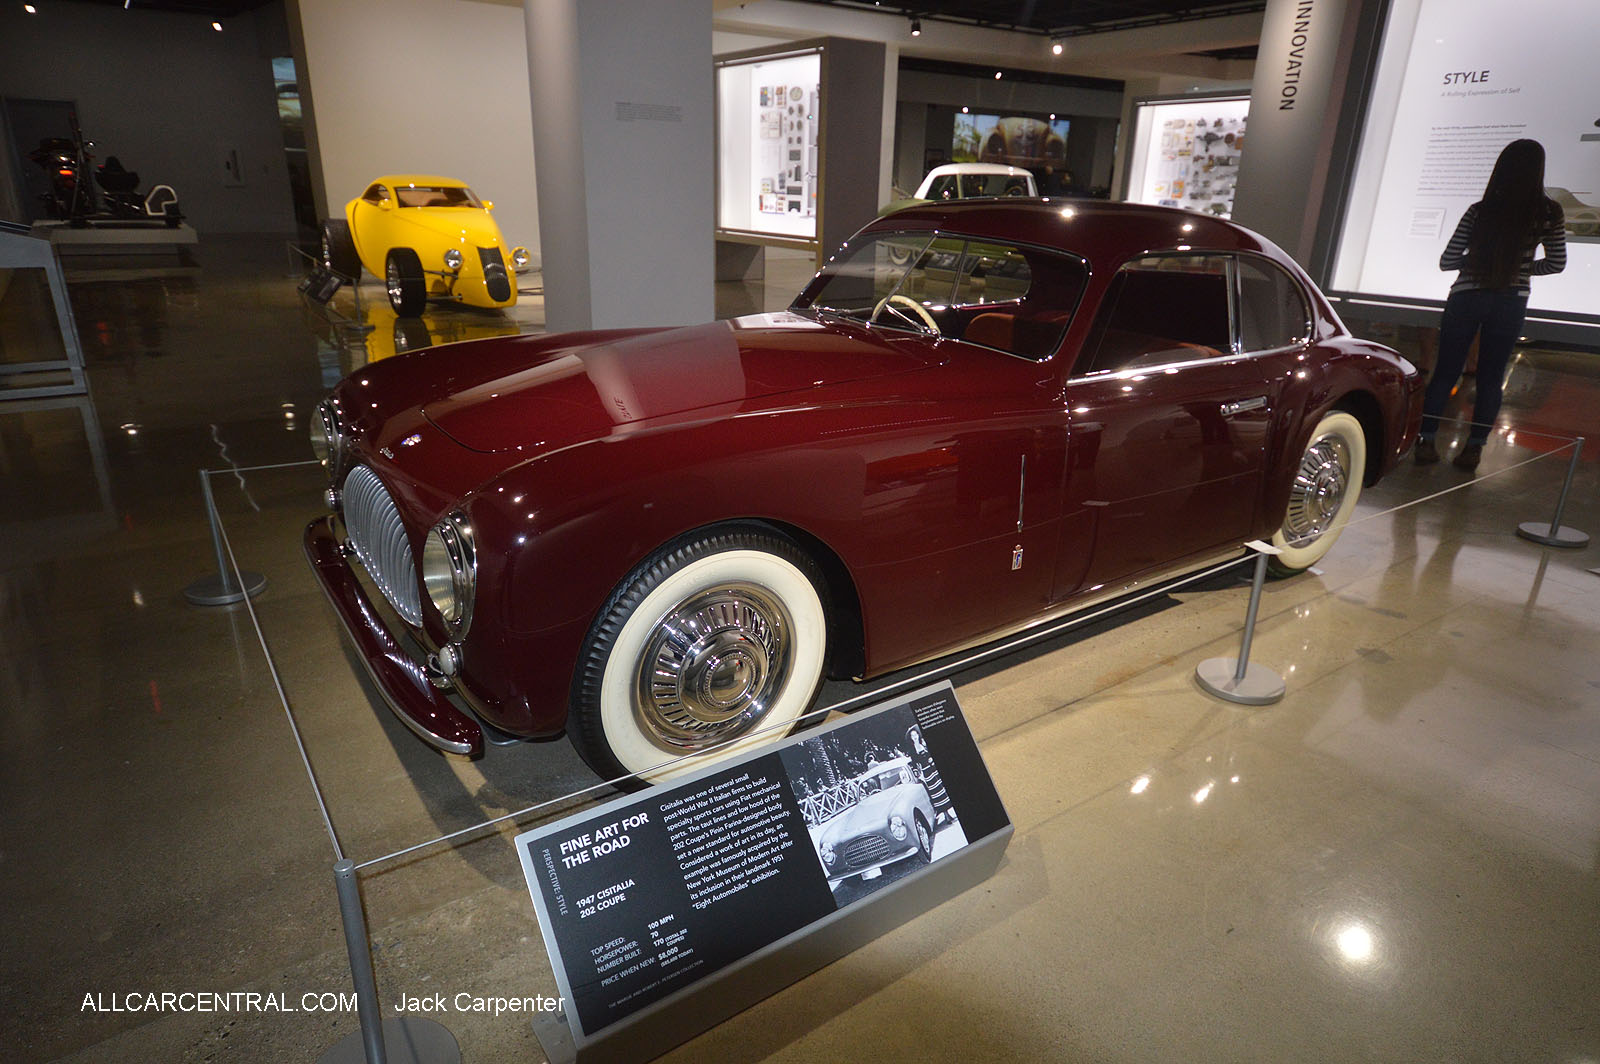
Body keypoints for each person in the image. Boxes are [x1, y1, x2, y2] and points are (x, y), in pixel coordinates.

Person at [1415, 139, 1566, 471]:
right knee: (1490, 377)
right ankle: (1474, 449)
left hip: (1466, 297)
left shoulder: (1479, 211)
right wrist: (1521, 268)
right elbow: (1556, 264)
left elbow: (1448, 260)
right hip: (1510, 302)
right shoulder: (1548, 212)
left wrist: (1478, 263)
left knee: (1445, 373)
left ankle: (1425, 441)